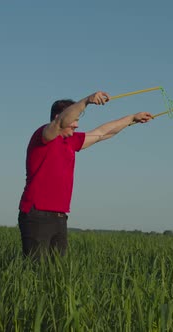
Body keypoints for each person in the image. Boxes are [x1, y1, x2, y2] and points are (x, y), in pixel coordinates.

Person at [18, 90, 153, 258]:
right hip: (36, 215)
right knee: (35, 271)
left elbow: (102, 132)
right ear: (58, 117)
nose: (76, 125)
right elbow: (61, 122)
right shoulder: (44, 136)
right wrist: (87, 100)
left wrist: (132, 118)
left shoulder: (71, 141)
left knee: (54, 275)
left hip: (60, 217)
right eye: (74, 120)